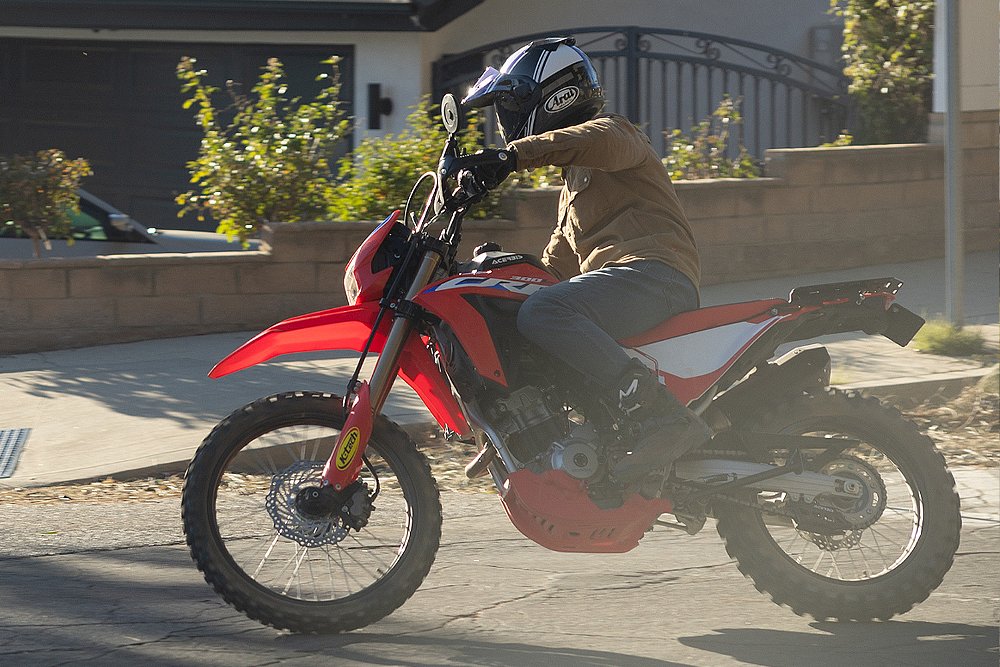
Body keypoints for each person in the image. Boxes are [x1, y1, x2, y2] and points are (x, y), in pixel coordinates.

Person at [462, 36, 710, 485]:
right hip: (625, 283)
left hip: (655, 274)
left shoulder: (617, 134)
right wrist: (488, 274)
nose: (506, 123)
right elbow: (553, 270)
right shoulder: (572, 185)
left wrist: (513, 155)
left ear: (555, 96)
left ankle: (664, 417)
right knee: (528, 310)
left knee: (546, 312)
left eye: (511, 107)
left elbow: (596, 140)